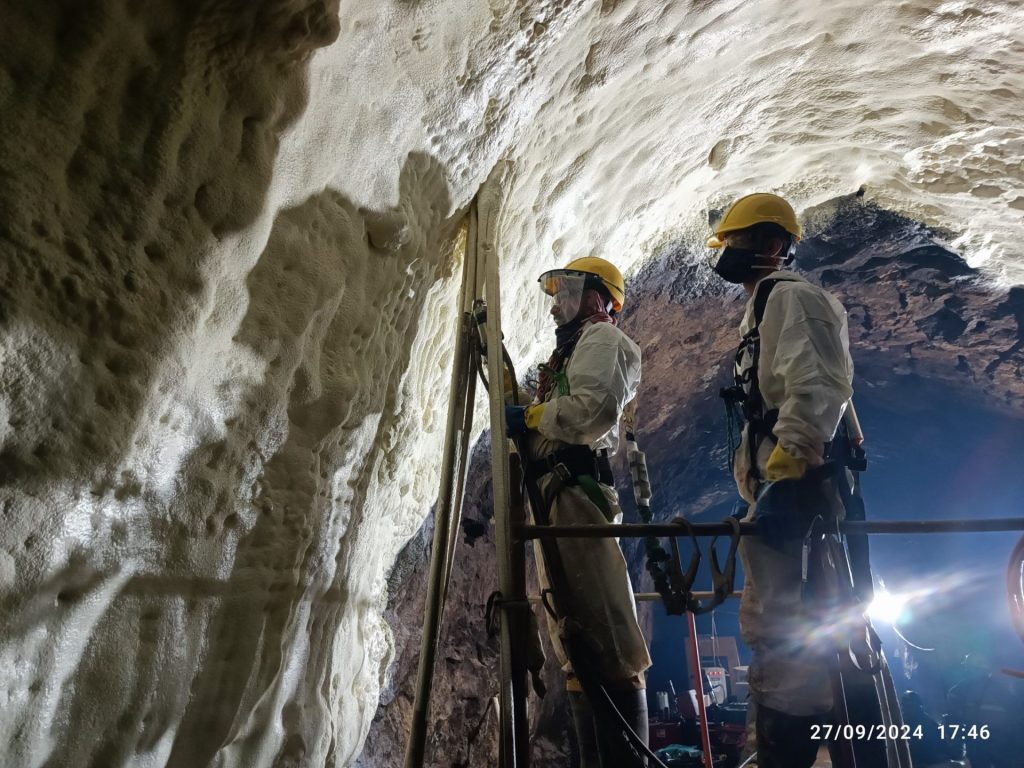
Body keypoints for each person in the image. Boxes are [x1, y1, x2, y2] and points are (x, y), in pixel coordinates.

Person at [707, 193, 854, 768]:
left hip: (798, 499)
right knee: (774, 631)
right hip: (779, 498)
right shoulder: (763, 305)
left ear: (773, 244)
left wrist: (787, 478)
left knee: (793, 636)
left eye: (737, 242)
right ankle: (783, 746)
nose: (727, 254)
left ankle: (795, 752)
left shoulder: (793, 298)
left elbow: (817, 387)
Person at [504, 256, 652, 767]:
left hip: (577, 495)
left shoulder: (604, 340)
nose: (555, 307)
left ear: (595, 297)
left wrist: (528, 415)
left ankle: (623, 757)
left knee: (605, 631)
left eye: (565, 293)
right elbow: (556, 414)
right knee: (573, 633)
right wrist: (520, 398)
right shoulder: (570, 352)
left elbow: (589, 412)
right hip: (556, 497)